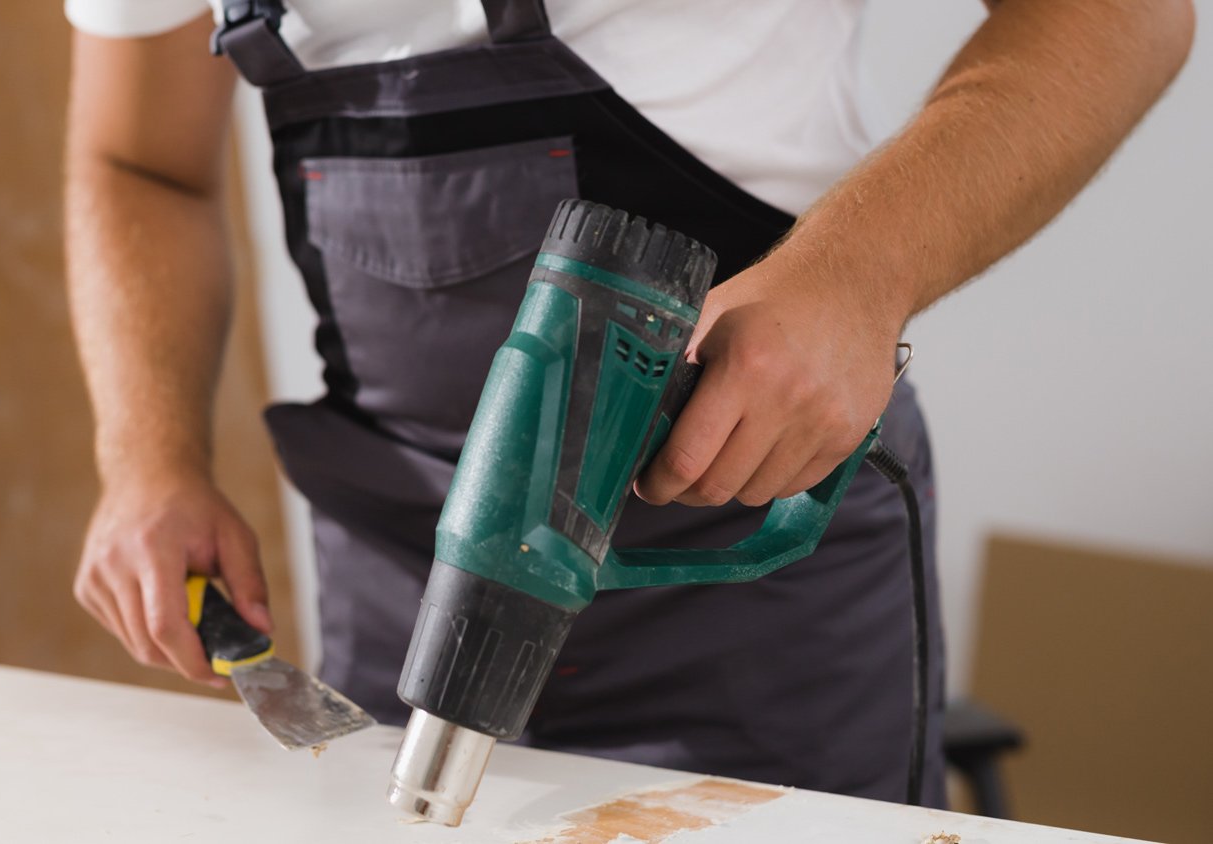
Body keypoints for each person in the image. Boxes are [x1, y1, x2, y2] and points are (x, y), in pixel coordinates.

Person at [61, 0, 1191, 806]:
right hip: (401, 582)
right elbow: (138, 161)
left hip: (742, 569)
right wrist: (147, 453)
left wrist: (859, 277)